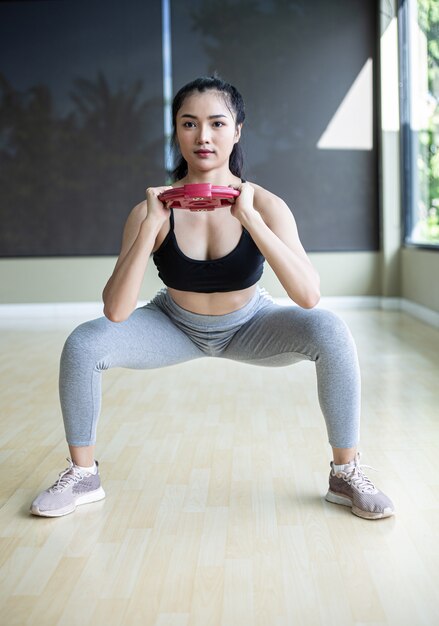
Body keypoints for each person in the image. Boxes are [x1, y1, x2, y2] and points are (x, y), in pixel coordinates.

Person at [30, 75, 394, 520]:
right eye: (189, 124)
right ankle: (83, 475)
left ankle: (345, 472)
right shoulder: (150, 210)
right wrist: (149, 227)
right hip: (173, 325)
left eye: (217, 123)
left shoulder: (269, 206)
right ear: (176, 131)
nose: (203, 136)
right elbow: (116, 310)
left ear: (237, 130)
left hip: (250, 325)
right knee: (83, 343)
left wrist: (251, 219)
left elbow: (308, 295)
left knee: (331, 329)